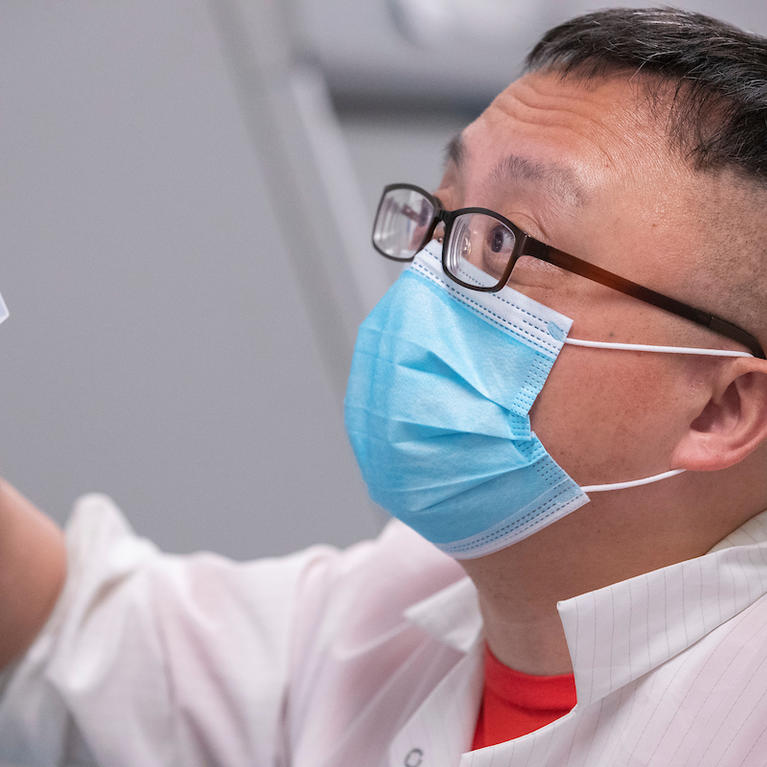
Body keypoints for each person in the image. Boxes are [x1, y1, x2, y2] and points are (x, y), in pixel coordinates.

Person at [4, 5, 767, 765]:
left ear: (720, 408)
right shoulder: (398, 600)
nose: (430, 277)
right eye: (443, 212)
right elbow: (83, 637)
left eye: (507, 238)